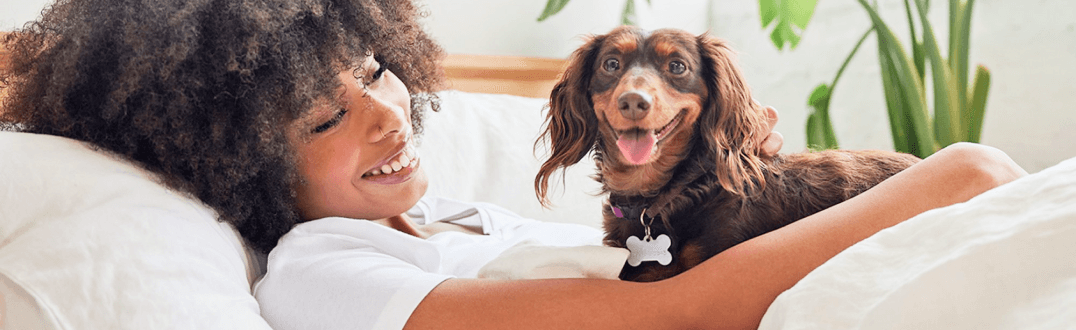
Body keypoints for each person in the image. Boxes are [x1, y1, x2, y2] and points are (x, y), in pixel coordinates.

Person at [0, 0, 1028, 329]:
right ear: (233, 166)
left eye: (375, 72)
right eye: (325, 117)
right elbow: (664, 317)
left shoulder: (457, 220)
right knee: (982, 172)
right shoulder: (323, 270)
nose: (387, 116)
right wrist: (948, 181)